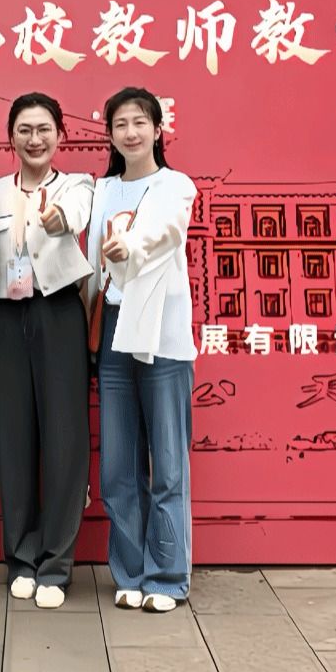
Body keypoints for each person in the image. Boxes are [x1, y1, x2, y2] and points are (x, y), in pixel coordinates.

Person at [0, 92, 95, 610]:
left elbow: (76, 216)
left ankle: (56, 563)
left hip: (58, 312)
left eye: (44, 129)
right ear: (11, 137)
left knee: (65, 440)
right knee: (14, 439)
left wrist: (58, 216)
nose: (34, 139)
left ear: (60, 135)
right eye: (24, 130)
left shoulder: (77, 186)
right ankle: (21, 558)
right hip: (3, 317)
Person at [84, 87, 198, 614]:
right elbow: (89, 264)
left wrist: (130, 244)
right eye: (120, 124)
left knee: (167, 462)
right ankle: (129, 571)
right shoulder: (102, 190)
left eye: (139, 122)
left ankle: (168, 576)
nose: (130, 132)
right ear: (109, 134)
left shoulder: (176, 185)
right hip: (112, 329)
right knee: (117, 466)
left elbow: (165, 230)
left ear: (158, 130)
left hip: (161, 334)